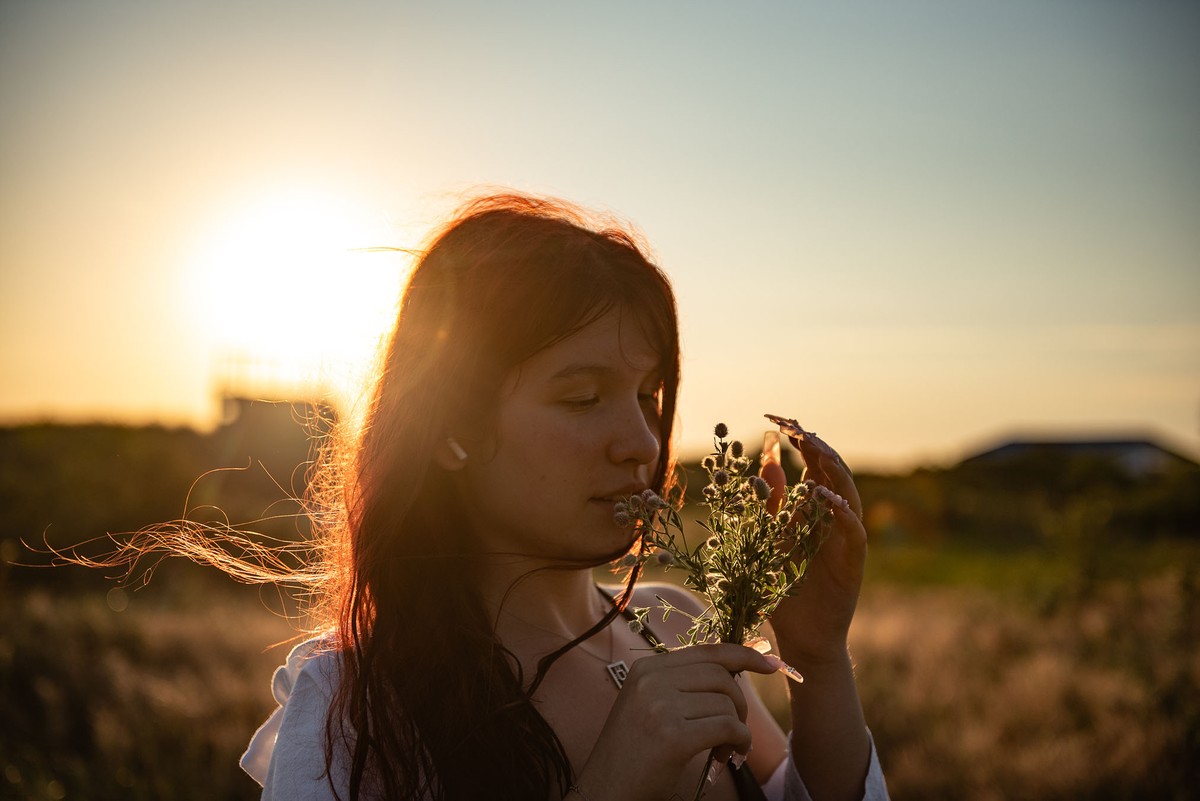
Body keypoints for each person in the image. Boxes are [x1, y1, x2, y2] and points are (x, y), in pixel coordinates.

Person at [237, 194, 889, 801]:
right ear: (452, 429)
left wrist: (818, 656)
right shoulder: (356, 702)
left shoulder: (671, 625)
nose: (642, 442)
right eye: (583, 398)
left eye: (649, 396)